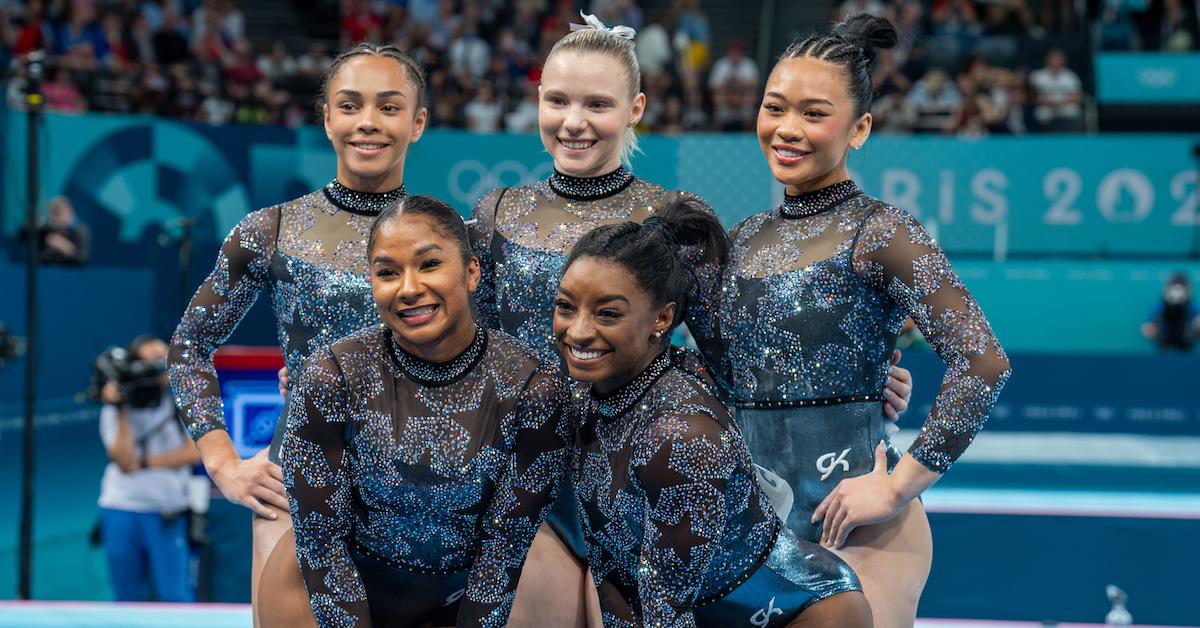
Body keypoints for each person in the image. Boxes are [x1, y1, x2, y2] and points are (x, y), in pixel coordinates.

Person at [468, 14, 915, 623]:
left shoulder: (675, 218)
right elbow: (476, 356)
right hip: (529, 483)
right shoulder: (497, 213)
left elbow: (730, 359)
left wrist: (852, 384)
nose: (574, 121)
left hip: (639, 483)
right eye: (558, 100)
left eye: (597, 103)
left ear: (636, 108)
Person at [691, 14, 1011, 626]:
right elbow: (722, 378)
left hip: (860, 523)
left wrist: (894, 488)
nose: (788, 129)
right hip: (754, 519)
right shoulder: (742, 240)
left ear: (859, 128)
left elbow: (983, 362)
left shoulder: (882, 230)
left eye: (814, 113)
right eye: (775, 107)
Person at [168, 43, 426, 626]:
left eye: (389, 107)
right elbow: (187, 345)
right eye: (350, 105)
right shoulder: (273, 229)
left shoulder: (449, 236)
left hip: (427, 486)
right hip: (301, 476)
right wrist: (223, 464)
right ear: (327, 118)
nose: (368, 122)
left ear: (417, 123)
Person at [549, 197, 871, 626]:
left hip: (796, 613)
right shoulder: (586, 399)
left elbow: (666, 608)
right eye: (566, 306)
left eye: (608, 313)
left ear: (661, 318)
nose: (579, 330)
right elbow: (617, 575)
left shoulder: (682, 437)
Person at [284, 195, 574, 627]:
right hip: (325, 590)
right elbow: (321, 542)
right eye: (387, 273)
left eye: (429, 264)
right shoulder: (332, 376)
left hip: (467, 595)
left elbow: (505, 550)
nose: (408, 288)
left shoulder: (533, 388)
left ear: (472, 271)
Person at [98, 335, 199, 602]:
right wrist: (120, 408)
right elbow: (122, 459)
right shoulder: (117, 404)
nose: (157, 365)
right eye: (149, 359)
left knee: (175, 595)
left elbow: (195, 452)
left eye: (162, 357)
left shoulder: (184, 400)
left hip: (168, 511)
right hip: (122, 509)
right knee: (126, 595)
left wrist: (143, 463)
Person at [21, 196, 90, 265]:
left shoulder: (80, 231)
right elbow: (23, 235)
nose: (56, 219)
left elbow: (82, 260)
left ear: (70, 212)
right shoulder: (48, 229)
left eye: (58, 213)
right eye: (53, 214)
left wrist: (64, 246)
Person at [1141, 272, 1199, 351]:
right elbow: (1148, 326)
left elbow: (1197, 319)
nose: (1177, 293)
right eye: (1174, 289)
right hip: (1163, 344)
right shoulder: (1159, 305)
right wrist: (1152, 329)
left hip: (1186, 344)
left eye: (1181, 289)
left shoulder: (1192, 305)